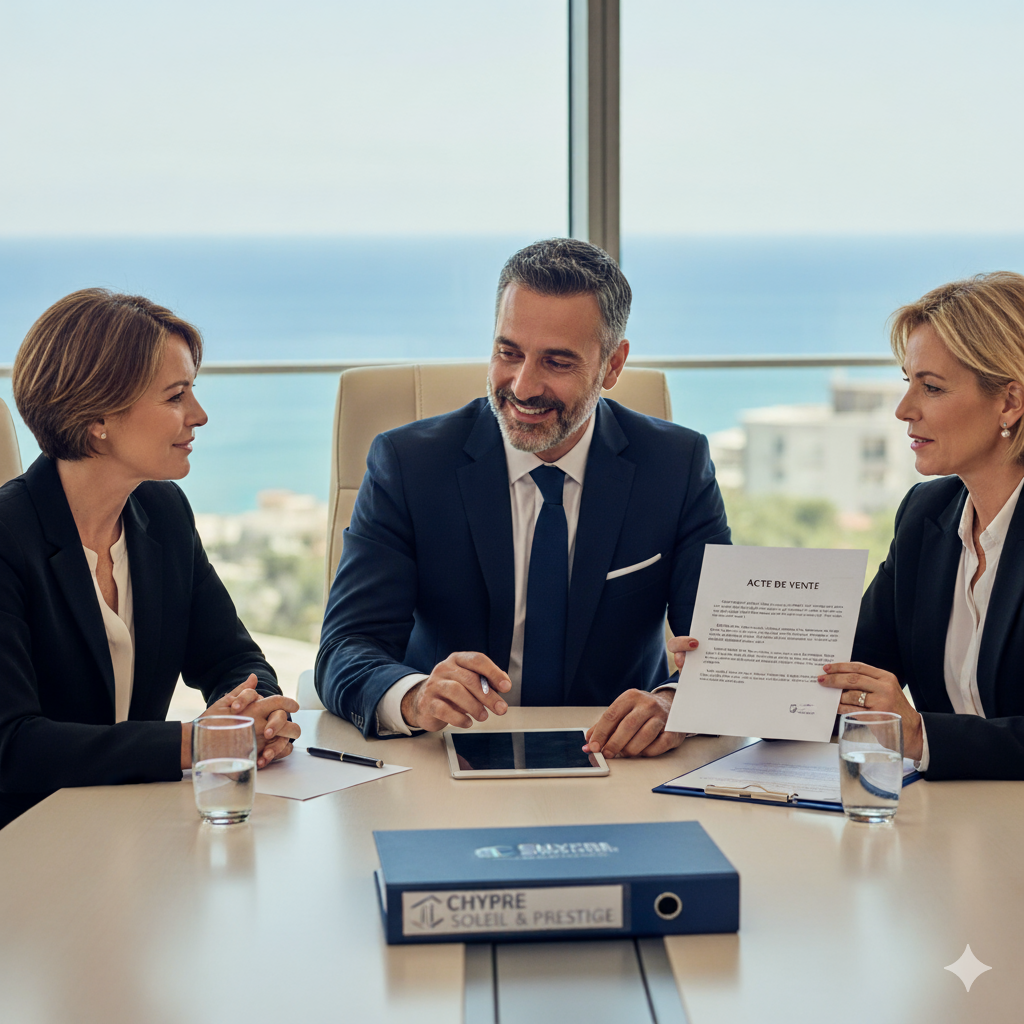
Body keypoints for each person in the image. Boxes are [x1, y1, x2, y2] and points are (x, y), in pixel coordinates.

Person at [316, 238, 730, 757]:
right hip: (450, 756)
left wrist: (674, 703)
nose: (523, 386)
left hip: (620, 759)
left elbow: (722, 651)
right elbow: (344, 651)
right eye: (508, 353)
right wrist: (416, 697)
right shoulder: (409, 465)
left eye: (557, 363)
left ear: (613, 365)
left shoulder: (677, 466)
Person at [0, 289, 300, 829]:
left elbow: (231, 658)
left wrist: (260, 711)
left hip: (128, 826)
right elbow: (14, 746)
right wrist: (197, 742)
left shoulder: (161, 513)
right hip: (26, 842)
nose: (200, 415)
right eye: (175, 396)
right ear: (97, 417)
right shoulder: (6, 537)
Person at [820, 272, 1024, 780]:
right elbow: (858, 664)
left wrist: (919, 734)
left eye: (930, 388)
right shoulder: (926, 513)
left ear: (1009, 402)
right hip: (953, 825)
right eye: (907, 382)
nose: (903, 410)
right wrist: (730, 672)